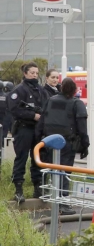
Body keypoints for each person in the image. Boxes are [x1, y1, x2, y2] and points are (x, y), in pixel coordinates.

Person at [36, 77, 89, 215]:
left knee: (54, 172)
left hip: (49, 142)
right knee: (64, 173)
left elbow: (41, 122)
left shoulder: (50, 101)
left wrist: (39, 143)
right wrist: (85, 145)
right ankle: (63, 204)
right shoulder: (77, 104)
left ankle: (55, 201)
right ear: (74, 90)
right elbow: (82, 128)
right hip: (67, 143)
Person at [9, 62, 48, 202]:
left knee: (37, 159)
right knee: (21, 158)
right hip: (24, 128)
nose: (35, 75)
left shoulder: (41, 90)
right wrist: (32, 115)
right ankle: (18, 190)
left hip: (38, 130)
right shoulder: (19, 90)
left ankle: (38, 188)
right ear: (25, 73)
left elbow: (46, 106)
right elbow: (14, 109)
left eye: (36, 73)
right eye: (32, 73)